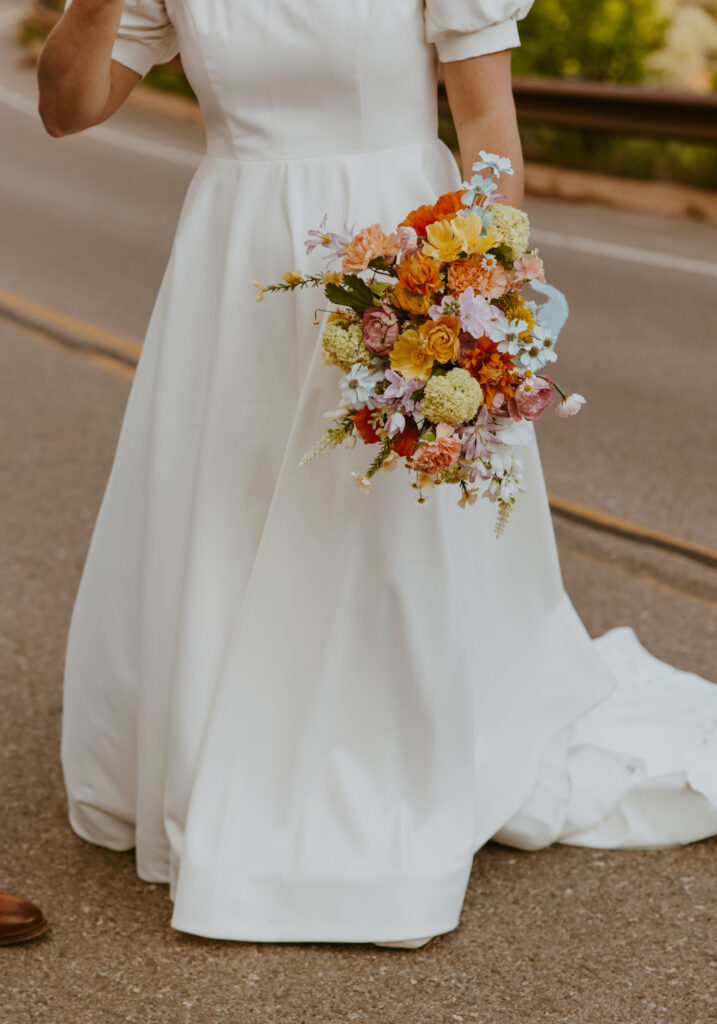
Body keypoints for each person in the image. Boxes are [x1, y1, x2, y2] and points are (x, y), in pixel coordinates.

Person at [37, 0, 717, 948]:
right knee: (229, 516)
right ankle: (239, 748)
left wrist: (481, 285)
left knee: (379, 535)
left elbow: (483, 122)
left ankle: (384, 757)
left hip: (401, 259)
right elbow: (68, 109)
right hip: (234, 272)